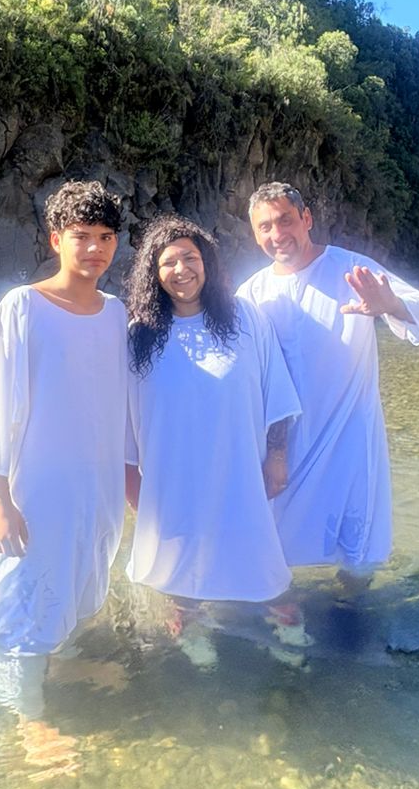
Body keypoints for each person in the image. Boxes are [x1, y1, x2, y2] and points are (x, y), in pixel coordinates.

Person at [0, 180, 128, 767]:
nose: (94, 249)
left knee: (74, 579)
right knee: (23, 588)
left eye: (105, 237)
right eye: (81, 236)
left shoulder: (116, 313)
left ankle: (57, 664)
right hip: (34, 482)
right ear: (55, 240)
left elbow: (120, 404)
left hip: (92, 481)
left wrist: (128, 479)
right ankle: (30, 719)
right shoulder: (22, 306)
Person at [237, 181, 419, 577]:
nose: (277, 234)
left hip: (349, 438)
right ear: (255, 235)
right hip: (284, 445)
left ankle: (352, 612)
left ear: (306, 218)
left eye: (285, 220)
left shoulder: (350, 270)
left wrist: (390, 305)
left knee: (356, 551)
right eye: (265, 227)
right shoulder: (252, 293)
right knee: (277, 551)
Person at [124, 216, 300, 647]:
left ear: (207, 263)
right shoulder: (139, 336)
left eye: (190, 258)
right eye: (168, 262)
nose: (181, 269)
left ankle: (284, 624)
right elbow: (123, 418)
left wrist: (277, 456)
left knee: (261, 563)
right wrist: (131, 483)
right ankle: (189, 623)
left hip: (238, 466)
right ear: (153, 274)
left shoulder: (245, 319)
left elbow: (275, 389)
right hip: (172, 474)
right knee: (178, 563)